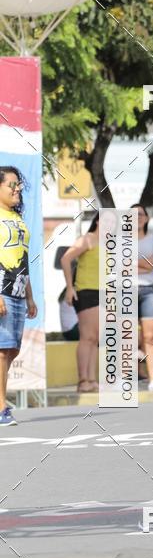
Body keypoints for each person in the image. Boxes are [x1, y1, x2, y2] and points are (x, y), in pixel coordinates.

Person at [0, 166, 37, 426]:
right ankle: (1, 406)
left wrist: (30, 296)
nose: (17, 189)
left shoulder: (17, 217)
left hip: (18, 292)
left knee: (11, 350)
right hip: (1, 290)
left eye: (19, 184)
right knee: (2, 351)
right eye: (12, 184)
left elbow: (22, 259)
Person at [60, 213, 100, 392]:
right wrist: (70, 287)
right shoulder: (87, 239)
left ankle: (91, 379)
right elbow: (65, 259)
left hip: (103, 292)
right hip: (86, 291)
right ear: (97, 221)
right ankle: (83, 380)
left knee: (95, 338)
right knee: (87, 336)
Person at [131, 204, 153, 392]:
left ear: (146, 218)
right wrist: (146, 264)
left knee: (150, 337)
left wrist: (131, 263)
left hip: (150, 291)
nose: (137, 217)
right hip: (125, 290)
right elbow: (117, 265)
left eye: (140, 214)